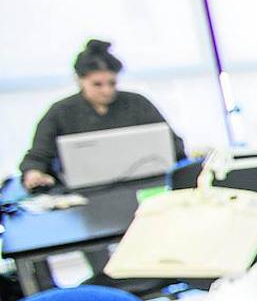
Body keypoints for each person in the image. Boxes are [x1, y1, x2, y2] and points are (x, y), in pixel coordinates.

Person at [19, 39, 186, 191]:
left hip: (144, 185)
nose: (107, 90)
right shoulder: (60, 112)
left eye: (112, 83)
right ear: (79, 80)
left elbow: (172, 142)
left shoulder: (138, 103)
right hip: (86, 193)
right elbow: (38, 155)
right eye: (97, 84)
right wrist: (34, 174)